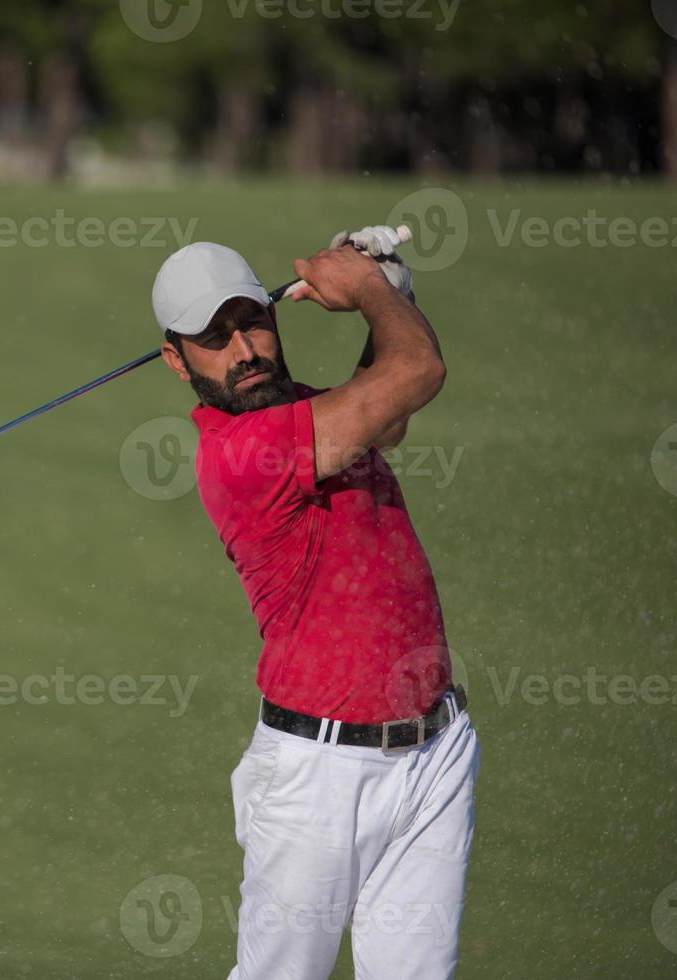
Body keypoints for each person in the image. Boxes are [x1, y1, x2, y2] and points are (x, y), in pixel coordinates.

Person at [150, 227, 479, 979]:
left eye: (251, 322)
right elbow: (417, 369)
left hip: (432, 751)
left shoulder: (299, 412)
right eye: (213, 339)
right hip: (316, 778)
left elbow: (382, 414)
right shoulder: (242, 453)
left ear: (274, 313)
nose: (244, 352)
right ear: (175, 360)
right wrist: (366, 291)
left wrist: (391, 292)